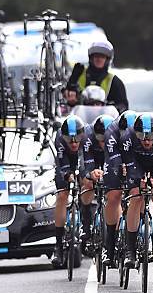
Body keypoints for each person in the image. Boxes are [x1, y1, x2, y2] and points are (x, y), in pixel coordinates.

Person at [122, 114, 153, 268]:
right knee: (136, 196)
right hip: (136, 164)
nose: (147, 141)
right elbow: (128, 161)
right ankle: (131, 250)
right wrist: (137, 179)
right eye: (142, 137)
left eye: (150, 137)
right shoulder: (128, 136)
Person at [52, 115, 88, 268]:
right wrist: (67, 175)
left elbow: (85, 160)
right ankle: (58, 245)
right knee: (62, 195)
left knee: (86, 186)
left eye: (76, 139)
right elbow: (61, 163)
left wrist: (83, 175)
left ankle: (87, 228)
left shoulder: (87, 137)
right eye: (70, 140)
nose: (73, 143)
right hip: (66, 162)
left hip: (82, 161)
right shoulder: (59, 138)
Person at [102, 110, 137, 266]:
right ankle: (109, 245)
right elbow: (112, 155)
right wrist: (121, 168)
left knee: (139, 193)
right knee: (114, 195)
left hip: (135, 159)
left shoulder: (141, 132)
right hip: (116, 159)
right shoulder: (112, 131)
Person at [79, 114, 114, 255]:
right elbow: (83, 162)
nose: (103, 143)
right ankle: (86, 224)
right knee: (87, 183)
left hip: (110, 158)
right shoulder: (87, 136)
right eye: (100, 139)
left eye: (106, 139)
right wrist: (89, 174)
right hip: (92, 157)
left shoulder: (117, 138)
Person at [68, 40, 129, 112]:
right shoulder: (78, 75)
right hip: (81, 119)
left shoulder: (114, 81)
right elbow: (66, 96)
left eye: (102, 57)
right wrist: (71, 97)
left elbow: (123, 105)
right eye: (96, 56)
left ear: (107, 60)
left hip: (105, 121)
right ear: (91, 58)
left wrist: (112, 108)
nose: (99, 59)